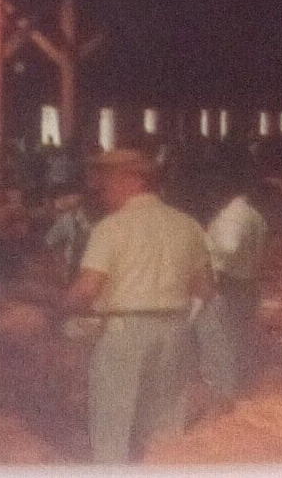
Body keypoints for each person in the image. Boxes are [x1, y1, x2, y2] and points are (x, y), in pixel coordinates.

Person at [62, 149, 213, 464]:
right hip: (175, 331)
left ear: (131, 181)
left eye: (106, 183)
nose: (101, 191)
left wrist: (61, 307)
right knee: (164, 433)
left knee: (112, 428)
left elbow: (88, 289)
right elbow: (205, 288)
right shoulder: (187, 225)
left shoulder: (111, 227)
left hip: (123, 333)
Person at [194, 183, 269, 410]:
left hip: (228, 285)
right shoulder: (253, 214)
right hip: (247, 284)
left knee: (219, 341)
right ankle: (239, 389)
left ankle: (223, 394)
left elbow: (227, 248)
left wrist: (214, 269)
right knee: (238, 339)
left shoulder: (232, 215)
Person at [43, 186, 94, 285]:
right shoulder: (69, 219)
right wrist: (59, 261)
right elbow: (49, 242)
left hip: (92, 270)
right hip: (70, 271)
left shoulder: (107, 223)